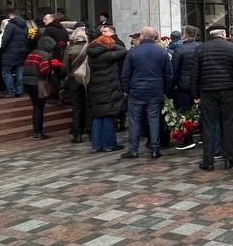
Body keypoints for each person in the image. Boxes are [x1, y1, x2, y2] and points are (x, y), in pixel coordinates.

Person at [191, 24, 233, 170]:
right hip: (228, 90)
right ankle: (229, 159)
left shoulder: (200, 49)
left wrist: (196, 95)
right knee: (229, 124)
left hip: (208, 91)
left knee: (208, 126)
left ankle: (208, 162)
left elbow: (194, 75)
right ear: (224, 34)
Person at [121, 26, 174, 160]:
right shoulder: (162, 52)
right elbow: (168, 75)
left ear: (143, 36)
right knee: (153, 119)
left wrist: (128, 89)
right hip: (155, 91)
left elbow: (125, 74)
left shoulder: (133, 52)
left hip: (136, 91)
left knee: (134, 121)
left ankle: (133, 150)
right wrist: (164, 90)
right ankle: (155, 149)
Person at [85, 24, 126, 152]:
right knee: (108, 116)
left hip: (95, 88)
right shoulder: (107, 55)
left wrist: (102, 41)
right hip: (108, 88)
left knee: (98, 116)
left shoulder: (91, 55)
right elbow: (123, 51)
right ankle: (109, 144)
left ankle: (96, 145)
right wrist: (111, 43)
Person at [22, 36, 62, 139]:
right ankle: (38, 132)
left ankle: (36, 132)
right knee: (39, 107)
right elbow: (44, 70)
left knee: (35, 107)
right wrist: (52, 68)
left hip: (28, 83)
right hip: (38, 83)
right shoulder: (44, 55)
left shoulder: (31, 53)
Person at [171, 26, 200, 150]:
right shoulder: (200, 47)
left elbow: (174, 70)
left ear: (184, 35)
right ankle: (203, 136)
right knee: (201, 111)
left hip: (184, 85)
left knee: (186, 113)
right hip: (199, 84)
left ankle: (188, 139)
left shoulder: (180, 49)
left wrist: (172, 86)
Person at [62, 24, 90, 143]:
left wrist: (69, 73)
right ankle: (89, 130)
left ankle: (77, 133)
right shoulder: (89, 48)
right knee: (87, 105)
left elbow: (65, 66)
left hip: (73, 79)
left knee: (76, 106)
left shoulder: (69, 49)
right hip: (87, 79)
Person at [0, 10, 29, 98]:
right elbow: (26, 38)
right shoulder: (25, 25)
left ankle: (11, 91)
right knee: (19, 72)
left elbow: (5, 39)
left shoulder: (10, 25)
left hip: (9, 52)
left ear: (11, 15)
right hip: (21, 52)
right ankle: (19, 91)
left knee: (6, 72)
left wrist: (2, 48)